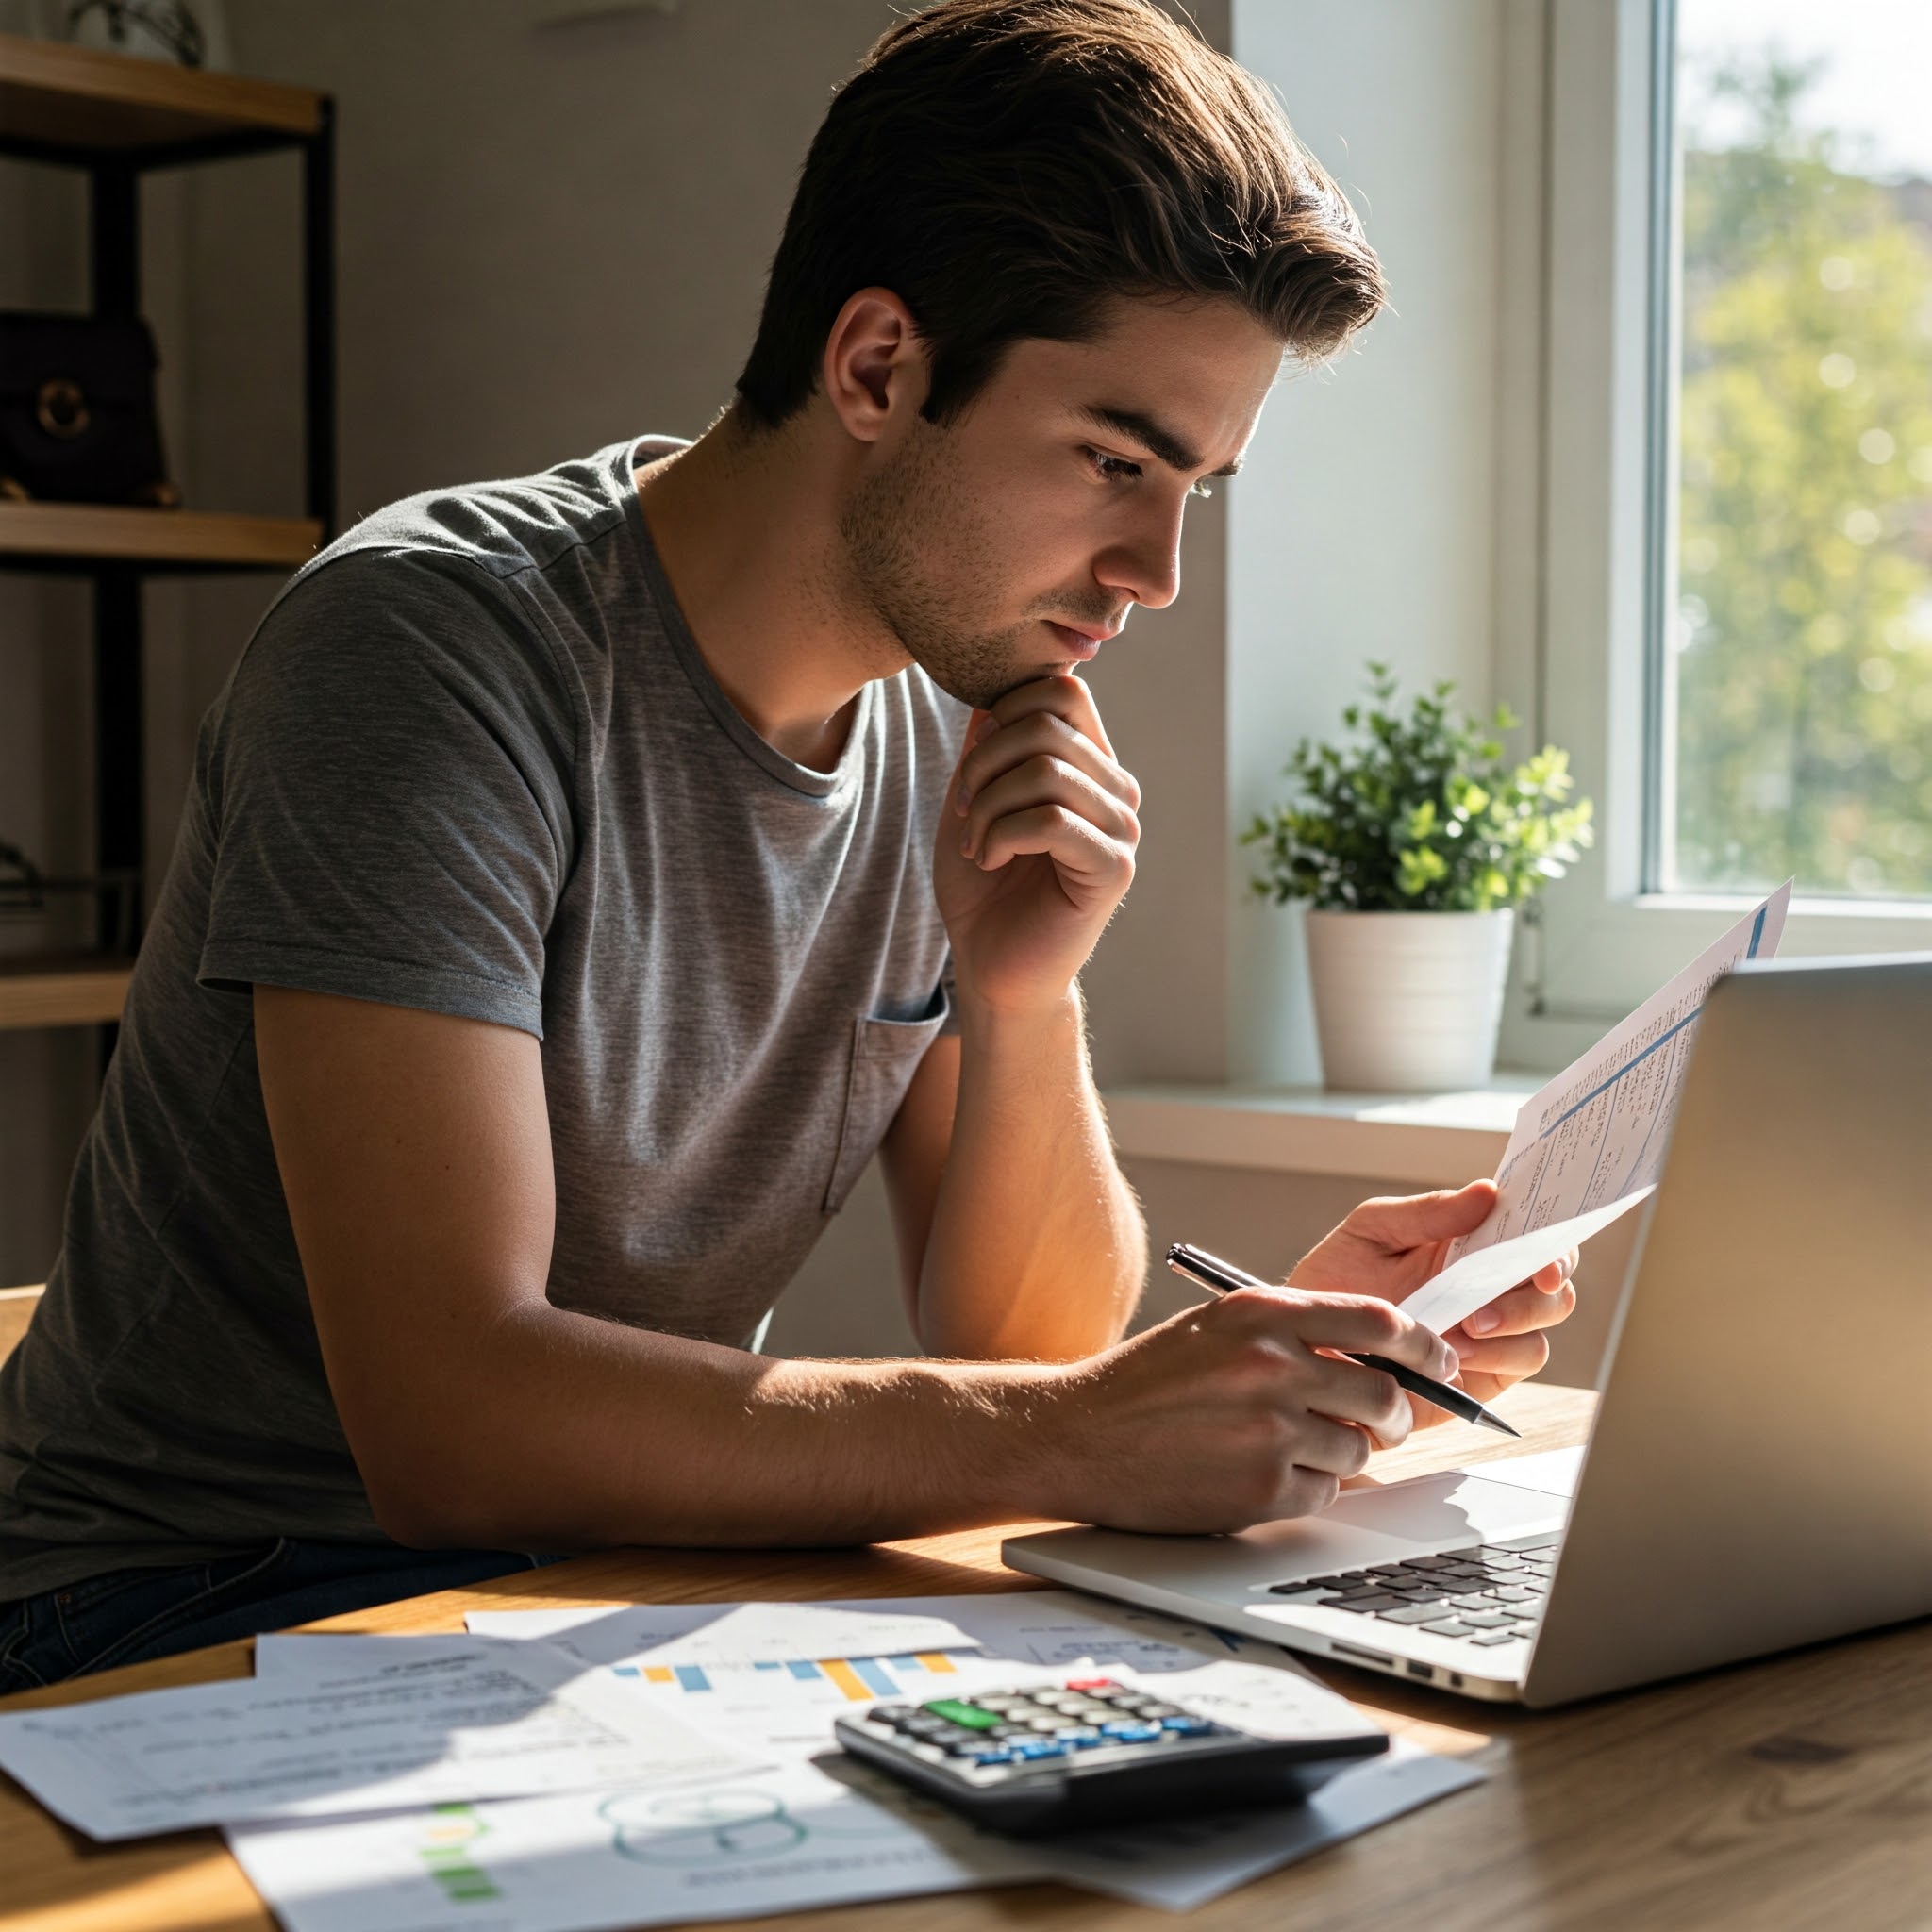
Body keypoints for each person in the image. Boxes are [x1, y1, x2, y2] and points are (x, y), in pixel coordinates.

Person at [0, 0, 1573, 1690]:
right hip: (186, 1604)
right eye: (1116, 460)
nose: (1156, 572)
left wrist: (1027, 1004)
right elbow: (453, 1425)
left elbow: (1031, 1358)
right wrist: (1086, 1427)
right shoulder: (426, 652)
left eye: (1200, 487)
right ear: (879, 366)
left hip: (590, 1591)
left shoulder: (952, 713)